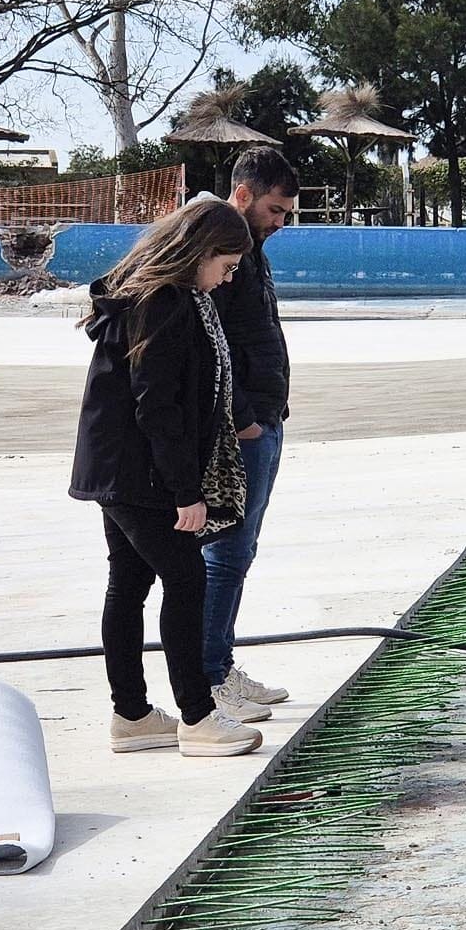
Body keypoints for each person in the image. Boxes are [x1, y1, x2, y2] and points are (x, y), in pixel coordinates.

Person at [69, 198, 265, 757]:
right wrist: (186, 492)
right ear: (199, 253)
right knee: (186, 579)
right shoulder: (163, 303)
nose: (228, 279)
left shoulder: (148, 293)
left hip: (117, 466)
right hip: (140, 473)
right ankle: (197, 718)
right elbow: (158, 406)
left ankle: (131, 715)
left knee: (129, 583)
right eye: (226, 266)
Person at [204, 148, 301, 723]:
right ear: (242, 195)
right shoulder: (218, 248)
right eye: (274, 210)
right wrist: (242, 416)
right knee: (225, 554)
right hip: (244, 428)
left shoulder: (251, 249)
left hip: (266, 418)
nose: (281, 222)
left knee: (241, 551)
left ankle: (221, 664)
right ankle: (210, 678)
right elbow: (206, 342)